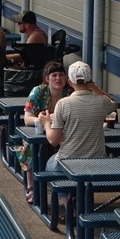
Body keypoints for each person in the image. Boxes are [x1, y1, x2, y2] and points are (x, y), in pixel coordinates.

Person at [38, 61, 117, 205]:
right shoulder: (102, 102)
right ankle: (75, 198)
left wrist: (46, 123)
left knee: (49, 164)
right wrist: (93, 86)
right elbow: (112, 102)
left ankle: (66, 203)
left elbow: (53, 140)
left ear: (69, 82)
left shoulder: (63, 104)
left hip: (69, 161)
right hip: (97, 162)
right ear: (90, 80)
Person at [20, 61, 73, 204]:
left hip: (63, 134)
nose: (58, 79)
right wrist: (44, 120)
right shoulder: (38, 92)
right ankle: (31, 186)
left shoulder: (70, 93)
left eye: (61, 75)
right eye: (54, 75)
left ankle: (68, 187)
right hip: (39, 131)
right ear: (46, 78)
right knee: (31, 146)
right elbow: (27, 119)